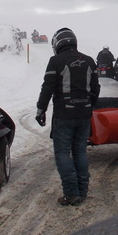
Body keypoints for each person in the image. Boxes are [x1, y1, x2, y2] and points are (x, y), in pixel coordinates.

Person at [35, 27, 100, 206]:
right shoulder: (89, 60)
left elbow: (47, 87)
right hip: (83, 115)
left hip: (64, 115)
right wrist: (88, 106)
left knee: (63, 153)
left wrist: (41, 110)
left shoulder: (55, 61)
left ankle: (72, 193)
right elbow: (96, 88)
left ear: (58, 44)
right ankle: (83, 190)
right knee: (80, 151)